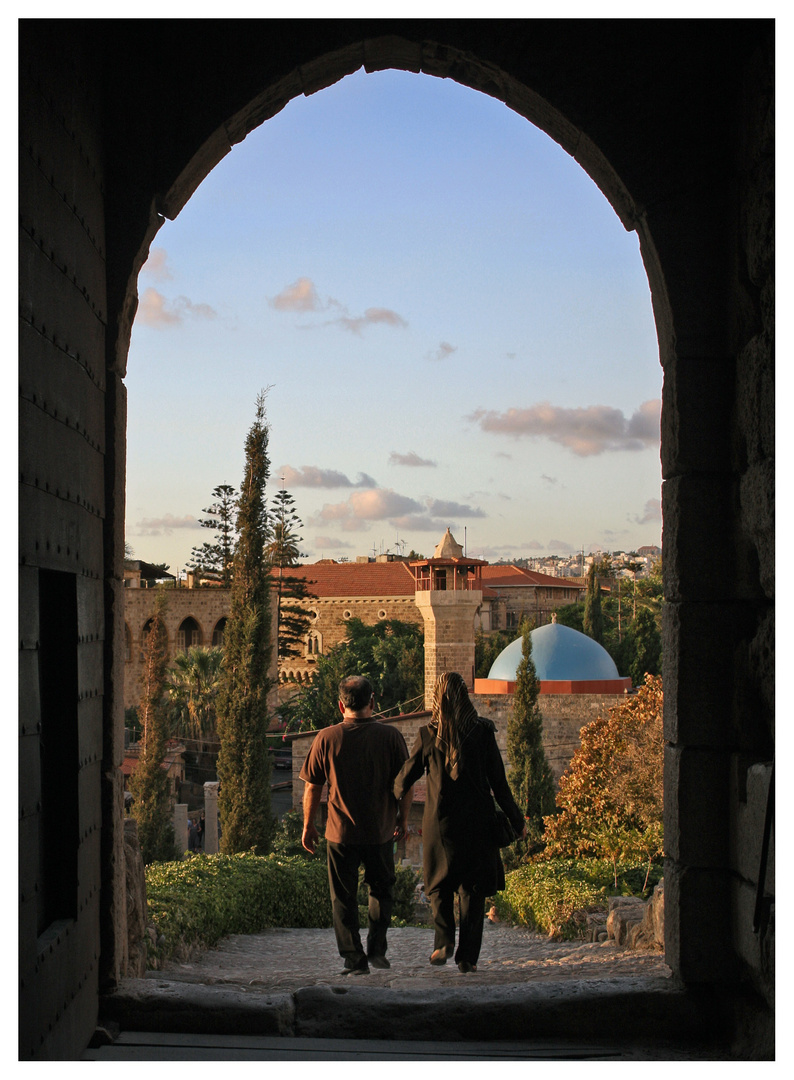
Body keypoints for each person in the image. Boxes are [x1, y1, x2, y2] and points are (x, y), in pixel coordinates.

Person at [393, 671, 526, 974]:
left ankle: (443, 942)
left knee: (438, 885)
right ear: (465, 696)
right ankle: (467, 956)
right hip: (478, 824)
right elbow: (500, 785)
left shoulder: (428, 736)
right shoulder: (483, 732)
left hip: (441, 824)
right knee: (472, 891)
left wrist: (389, 798)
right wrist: (517, 822)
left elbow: (405, 778)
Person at [300, 674, 412, 975]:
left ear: (340, 705)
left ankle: (354, 957)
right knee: (381, 890)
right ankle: (376, 948)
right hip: (380, 831)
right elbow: (405, 785)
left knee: (343, 897)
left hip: (340, 833)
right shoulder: (391, 737)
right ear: (372, 702)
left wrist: (308, 826)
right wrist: (402, 818)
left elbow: (312, 787)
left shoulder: (326, 738)